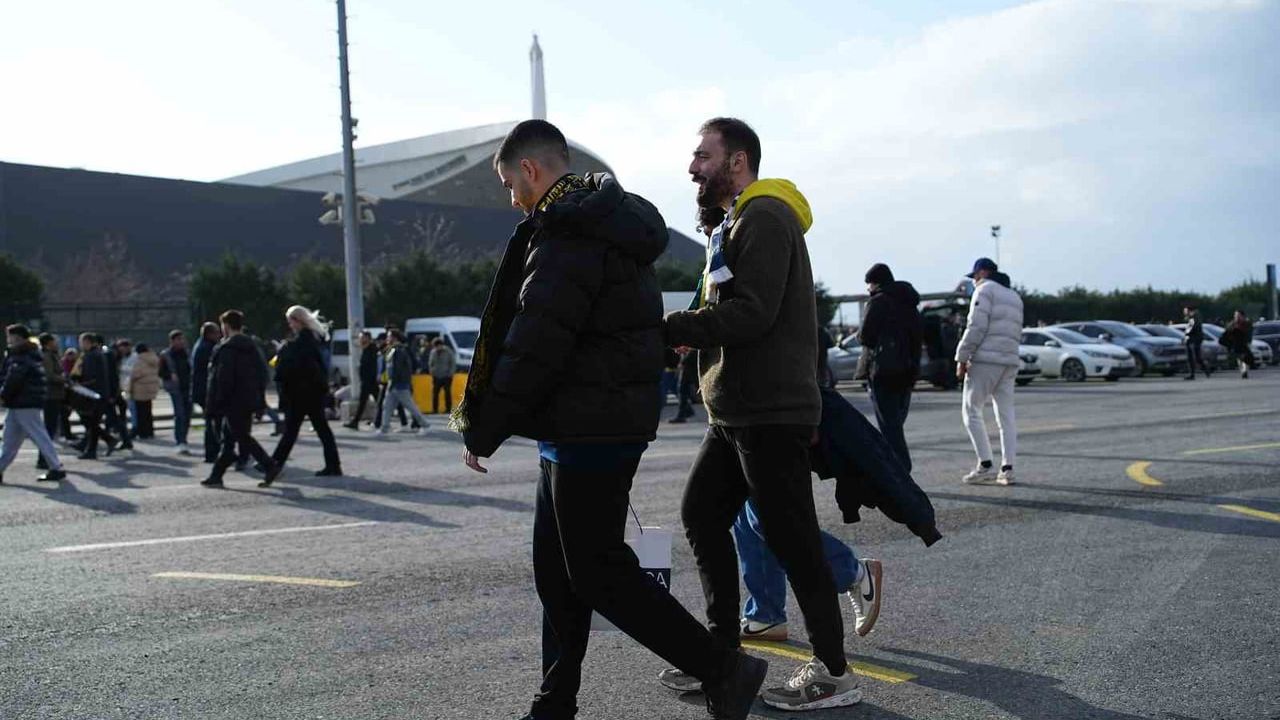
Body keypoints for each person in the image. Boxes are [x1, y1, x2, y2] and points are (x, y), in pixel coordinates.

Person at [455, 119, 766, 720]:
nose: (510, 198)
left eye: (507, 183)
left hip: (592, 423)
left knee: (597, 572)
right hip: (577, 422)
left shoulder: (571, 234)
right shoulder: (591, 222)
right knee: (558, 572)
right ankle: (555, 701)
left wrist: (485, 423)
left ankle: (723, 668)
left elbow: (538, 340)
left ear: (531, 171)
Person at [662, 117, 858, 711]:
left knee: (791, 538)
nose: (693, 166)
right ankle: (721, 659)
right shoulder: (736, 222)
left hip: (768, 409)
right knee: (701, 514)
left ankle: (833, 673)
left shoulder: (765, 219)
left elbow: (751, 314)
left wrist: (672, 327)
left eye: (703, 154)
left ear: (738, 161)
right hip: (736, 409)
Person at [955, 257, 1024, 485]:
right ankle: (1008, 468)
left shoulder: (984, 291)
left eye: (974, 276)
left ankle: (985, 463)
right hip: (1009, 360)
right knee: (1006, 415)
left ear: (982, 273)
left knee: (971, 410)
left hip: (986, 360)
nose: (973, 281)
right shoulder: (1014, 296)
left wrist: (962, 357)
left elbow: (976, 326)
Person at [202, 310, 279, 488]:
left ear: (226, 326)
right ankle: (216, 475)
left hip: (231, 401)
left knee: (241, 437)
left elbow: (222, 378)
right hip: (247, 399)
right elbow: (262, 374)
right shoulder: (252, 347)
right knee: (229, 440)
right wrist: (259, 400)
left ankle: (269, 465)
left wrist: (216, 402)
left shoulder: (227, 348)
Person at [857, 263, 922, 472]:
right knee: (896, 421)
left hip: (882, 372)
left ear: (876, 283)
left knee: (889, 424)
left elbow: (865, 336)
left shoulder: (878, 302)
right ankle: (898, 466)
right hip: (907, 370)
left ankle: (900, 468)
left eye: (869, 284)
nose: (868, 289)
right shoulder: (910, 303)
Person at [267, 305, 342, 481]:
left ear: (297, 321)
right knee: (315, 429)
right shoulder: (309, 339)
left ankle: (274, 463)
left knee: (294, 430)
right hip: (310, 393)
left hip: (304, 393)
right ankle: (333, 464)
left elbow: (303, 366)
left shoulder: (303, 341)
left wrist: (285, 350)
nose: (289, 325)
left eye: (290, 321)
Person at [0, 325, 67, 484]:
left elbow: (14, 379)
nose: (8, 340)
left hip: (23, 402)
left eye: (10, 336)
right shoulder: (29, 353)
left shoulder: (21, 355)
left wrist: (2, 395)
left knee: (38, 436)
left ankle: (56, 468)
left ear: (17, 338)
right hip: (21, 402)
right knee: (10, 439)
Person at [378, 329, 430, 436]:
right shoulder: (392, 350)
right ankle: (384, 429)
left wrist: (396, 381)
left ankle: (425, 425)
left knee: (410, 406)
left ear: (395, 338)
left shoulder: (400, 350)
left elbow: (400, 369)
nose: (387, 339)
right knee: (387, 406)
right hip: (392, 384)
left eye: (389, 336)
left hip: (399, 385)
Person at [70, 333, 113, 460]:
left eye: (81, 342)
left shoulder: (90, 356)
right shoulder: (99, 354)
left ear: (87, 342)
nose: (80, 345)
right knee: (92, 422)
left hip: (92, 393)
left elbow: (90, 376)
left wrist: (78, 384)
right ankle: (101, 442)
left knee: (91, 422)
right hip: (100, 392)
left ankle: (92, 449)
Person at [191, 322, 222, 462]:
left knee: (211, 422)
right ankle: (213, 452)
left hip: (201, 390)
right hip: (207, 390)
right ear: (209, 334)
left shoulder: (200, 345)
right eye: (216, 333)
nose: (219, 335)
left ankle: (213, 452)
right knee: (213, 422)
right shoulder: (208, 348)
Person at [36, 333, 67, 470]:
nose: (57, 343)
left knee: (50, 428)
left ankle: (46, 459)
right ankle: (44, 459)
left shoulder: (51, 354)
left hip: (54, 394)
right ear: (48, 343)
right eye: (54, 341)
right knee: (49, 429)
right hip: (50, 395)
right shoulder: (47, 356)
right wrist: (63, 378)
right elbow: (49, 375)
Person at [160, 330, 193, 454]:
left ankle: (184, 437)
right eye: (178, 340)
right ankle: (180, 441)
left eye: (182, 339)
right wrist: (170, 375)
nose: (181, 342)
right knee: (180, 414)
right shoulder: (166, 354)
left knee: (187, 413)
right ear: (172, 341)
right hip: (175, 388)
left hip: (187, 386)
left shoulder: (186, 353)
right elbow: (160, 372)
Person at [344, 330, 378, 429]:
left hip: (370, 381)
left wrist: (370, 378)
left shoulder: (372, 350)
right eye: (360, 338)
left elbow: (373, 367)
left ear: (368, 338)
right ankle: (356, 422)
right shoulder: (365, 350)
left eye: (362, 337)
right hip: (366, 381)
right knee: (367, 402)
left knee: (380, 402)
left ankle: (357, 422)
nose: (360, 340)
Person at [127, 342, 162, 440]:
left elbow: (135, 374)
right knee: (148, 411)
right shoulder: (154, 358)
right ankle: (150, 431)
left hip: (140, 389)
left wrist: (129, 387)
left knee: (140, 412)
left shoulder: (139, 360)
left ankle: (143, 432)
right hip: (151, 387)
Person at [1220, 310, 1255, 379]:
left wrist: (1248, 341)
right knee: (1239, 358)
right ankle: (1243, 371)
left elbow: (1249, 333)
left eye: (1237, 315)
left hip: (1243, 343)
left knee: (1244, 357)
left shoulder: (1246, 323)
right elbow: (1227, 331)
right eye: (1235, 315)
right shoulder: (1233, 323)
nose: (1236, 316)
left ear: (1242, 316)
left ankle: (1244, 371)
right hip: (1236, 343)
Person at [1182, 304, 1212, 380]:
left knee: (1192, 357)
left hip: (1193, 340)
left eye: (1185, 310)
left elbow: (1191, 328)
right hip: (1195, 339)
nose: (1184, 312)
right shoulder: (1195, 317)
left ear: (1189, 310)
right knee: (1196, 357)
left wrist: (1186, 334)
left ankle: (1194, 373)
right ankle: (1205, 370)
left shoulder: (1193, 317)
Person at [427, 337, 457, 415]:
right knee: (435, 393)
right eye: (435, 346)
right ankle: (435, 409)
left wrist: (450, 373)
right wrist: (432, 371)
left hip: (447, 376)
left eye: (438, 346)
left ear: (441, 345)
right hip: (436, 376)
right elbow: (430, 363)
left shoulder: (448, 351)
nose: (437, 348)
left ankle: (448, 409)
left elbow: (453, 363)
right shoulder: (433, 352)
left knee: (447, 392)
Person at [59, 347, 79, 440]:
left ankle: (65, 432)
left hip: (74, 391)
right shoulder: (63, 363)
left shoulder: (77, 363)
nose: (71, 357)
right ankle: (65, 432)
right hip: (65, 391)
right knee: (64, 414)